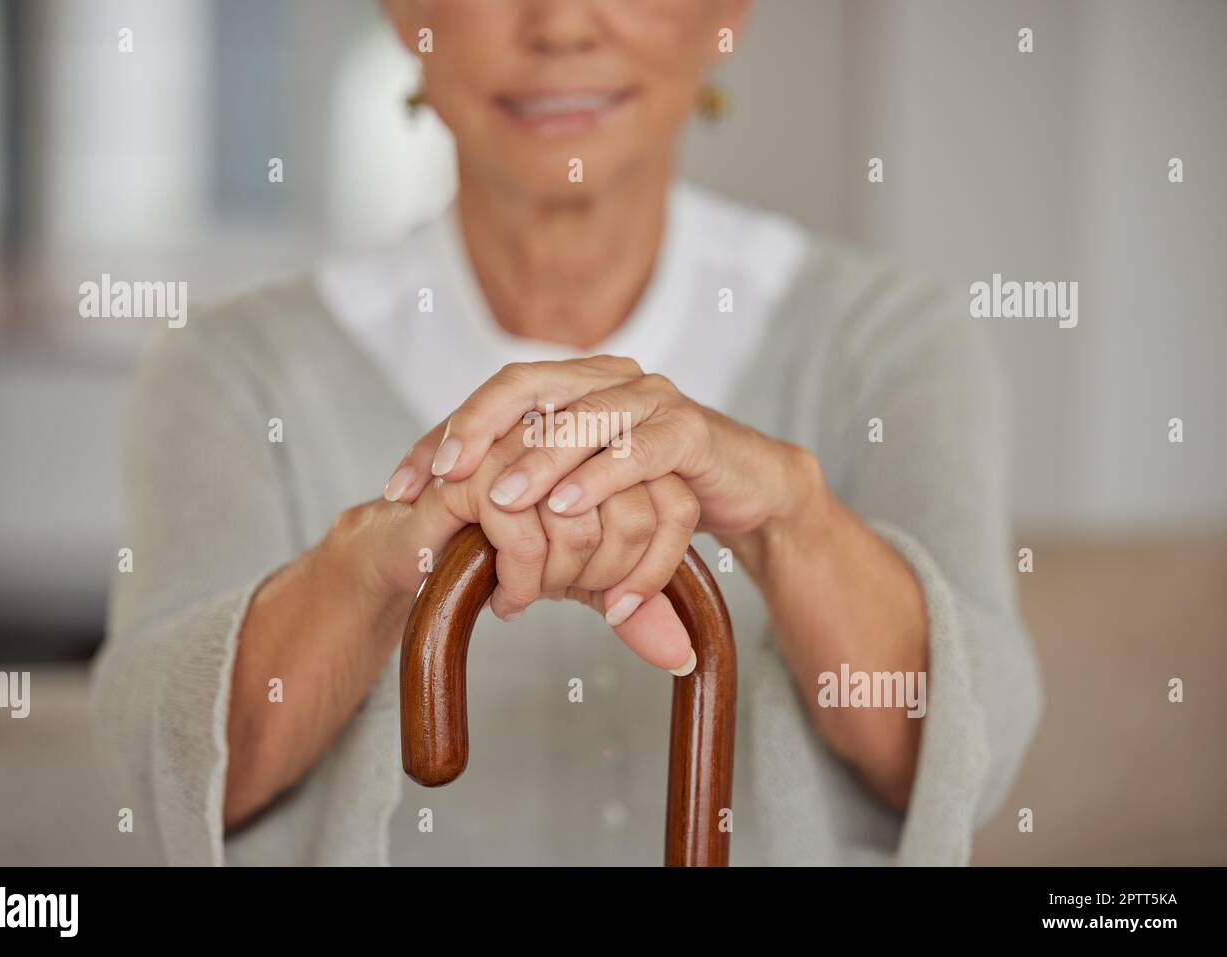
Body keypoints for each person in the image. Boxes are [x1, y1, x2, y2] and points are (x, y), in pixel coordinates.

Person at [91, 0, 1042, 866]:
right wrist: (368, 570)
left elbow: (972, 751)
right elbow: (154, 769)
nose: (560, 25)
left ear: (728, 16)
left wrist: (786, 517)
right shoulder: (227, 367)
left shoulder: (889, 342)